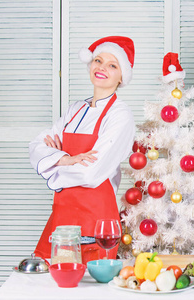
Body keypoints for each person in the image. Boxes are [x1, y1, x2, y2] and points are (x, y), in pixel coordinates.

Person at [29, 36, 136, 259]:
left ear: (121, 76)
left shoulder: (120, 115)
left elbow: (91, 172)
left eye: (112, 65)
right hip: (61, 216)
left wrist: (53, 164)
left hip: (95, 221)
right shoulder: (75, 109)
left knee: (89, 289)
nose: (102, 68)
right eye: (98, 60)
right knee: (51, 285)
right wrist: (65, 159)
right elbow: (37, 146)